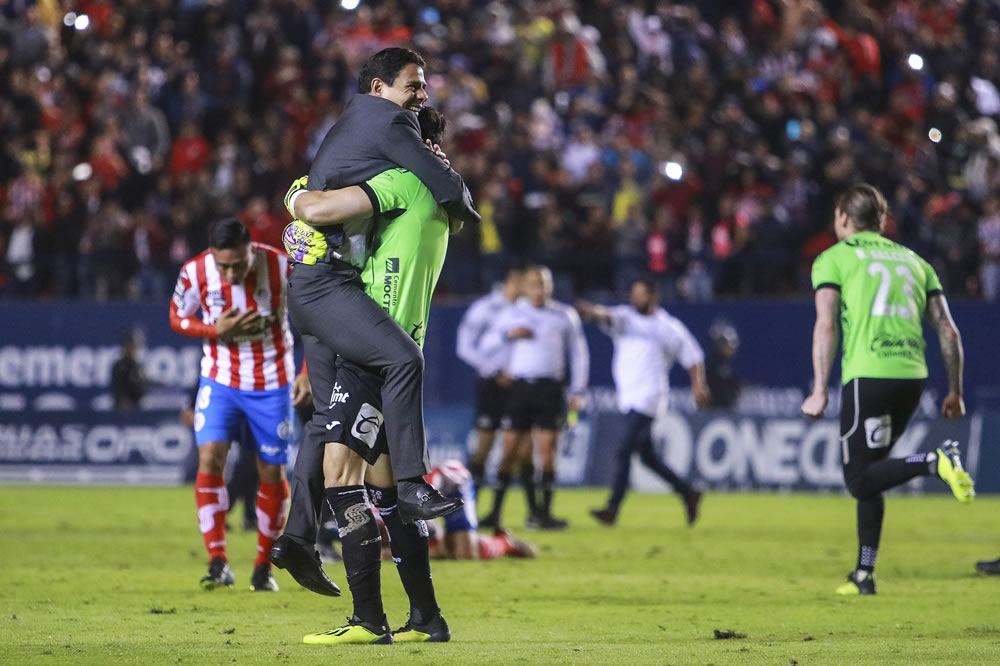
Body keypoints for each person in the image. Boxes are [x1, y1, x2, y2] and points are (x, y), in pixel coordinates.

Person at [271, 47, 475, 604]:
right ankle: (377, 607)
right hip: (368, 330)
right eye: (413, 86)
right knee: (351, 470)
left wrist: (295, 199)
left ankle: (302, 543)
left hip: (355, 322)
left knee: (358, 470)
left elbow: (322, 209)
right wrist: (301, 206)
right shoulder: (404, 181)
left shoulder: (396, 184)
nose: (420, 97)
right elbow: (325, 208)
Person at [800, 183, 975, 596]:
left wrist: (819, 389)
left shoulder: (833, 259)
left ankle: (935, 461)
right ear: (881, 220)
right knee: (874, 470)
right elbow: (948, 330)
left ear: (843, 217)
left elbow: (825, 325)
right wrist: (955, 390)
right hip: (912, 377)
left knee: (859, 479)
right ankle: (864, 573)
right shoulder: (916, 262)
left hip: (867, 375)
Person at [168, 217, 312, 592]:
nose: (230, 273)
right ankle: (218, 561)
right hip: (220, 381)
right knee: (210, 458)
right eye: (223, 266)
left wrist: (307, 371)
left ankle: (263, 566)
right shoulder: (195, 271)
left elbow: (316, 321)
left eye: (238, 264)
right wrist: (212, 329)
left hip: (273, 385)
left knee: (271, 472)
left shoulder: (281, 267)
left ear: (252, 251)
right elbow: (177, 317)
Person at [577, 278, 710, 527]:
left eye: (640, 294)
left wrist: (698, 385)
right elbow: (605, 315)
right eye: (633, 293)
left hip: (650, 397)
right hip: (628, 397)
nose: (634, 298)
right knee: (648, 458)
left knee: (624, 450)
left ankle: (612, 507)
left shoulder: (667, 327)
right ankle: (688, 492)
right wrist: (590, 312)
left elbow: (693, 356)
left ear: (653, 297)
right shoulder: (625, 319)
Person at [478, 266, 589, 530]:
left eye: (544, 284)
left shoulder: (564, 315)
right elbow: (486, 345)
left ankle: (544, 514)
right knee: (511, 451)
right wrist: (508, 334)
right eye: (534, 285)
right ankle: (494, 512)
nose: (540, 290)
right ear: (525, 288)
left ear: (551, 287)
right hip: (520, 389)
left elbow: (579, 355)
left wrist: (578, 391)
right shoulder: (512, 314)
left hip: (550, 389)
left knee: (548, 452)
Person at [455, 267, 523, 492]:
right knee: (485, 444)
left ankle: (499, 510)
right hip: (492, 384)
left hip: (519, 383)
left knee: (517, 447)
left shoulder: (526, 310)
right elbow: (465, 348)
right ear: (512, 280)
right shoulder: (484, 308)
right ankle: (472, 499)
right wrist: (493, 371)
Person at [423, 460, 537, 560]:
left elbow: (426, 517)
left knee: (466, 554)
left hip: (456, 485)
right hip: (432, 495)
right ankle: (456, 541)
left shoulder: (420, 486)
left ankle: (505, 542)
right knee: (434, 552)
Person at [705, 320, 742, 409]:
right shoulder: (713, 364)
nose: (732, 349)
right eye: (728, 345)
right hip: (713, 410)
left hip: (725, 410)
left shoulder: (726, 365)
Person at [110, 327, 147, 411]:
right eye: (131, 345)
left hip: (139, 410)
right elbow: (119, 391)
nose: (134, 349)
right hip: (123, 411)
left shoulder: (139, 366)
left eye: (136, 346)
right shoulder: (119, 366)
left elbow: (142, 391)